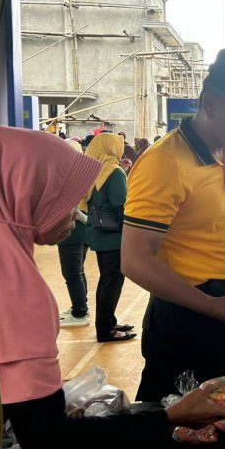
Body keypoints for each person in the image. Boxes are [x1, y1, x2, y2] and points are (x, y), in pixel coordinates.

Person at [0, 126, 225, 449]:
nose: (78, 213)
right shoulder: (12, 297)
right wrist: (171, 417)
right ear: (19, 193)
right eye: (66, 198)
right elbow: (49, 440)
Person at [122, 49, 225, 401]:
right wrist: (213, 306)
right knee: (179, 435)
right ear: (210, 105)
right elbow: (134, 260)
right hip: (187, 318)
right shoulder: (164, 161)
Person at [83, 133, 135, 342]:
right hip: (114, 237)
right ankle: (105, 329)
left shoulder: (95, 170)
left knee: (106, 281)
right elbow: (122, 205)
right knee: (111, 282)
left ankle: (108, 322)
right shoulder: (114, 172)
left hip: (100, 234)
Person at [57, 138, 91, 328]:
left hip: (72, 231)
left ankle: (80, 312)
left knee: (71, 273)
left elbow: (74, 209)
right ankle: (79, 306)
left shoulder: (69, 175)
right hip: (80, 231)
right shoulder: (83, 173)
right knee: (77, 271)